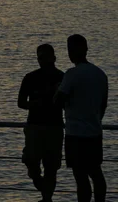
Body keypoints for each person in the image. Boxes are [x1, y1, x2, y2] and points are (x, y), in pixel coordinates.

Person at [55, 34, 108, 202]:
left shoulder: (71, 74)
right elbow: (103, 105)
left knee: (80, 176)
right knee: (96, 173)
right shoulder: (100, 74)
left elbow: (57, 101)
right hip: (94, 132)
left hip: (75, 134)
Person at [18, 44, 64, 202]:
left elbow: (67, 103)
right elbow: (21, 102)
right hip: (34, 126)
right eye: (40, 57)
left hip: (54, 127)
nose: (43, 61)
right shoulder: (30, 77)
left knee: (51, 167)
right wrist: (37, 103)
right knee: (31, 161)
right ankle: (43, 188)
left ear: (54, 58)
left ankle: (46, 198)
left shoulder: (62, 77)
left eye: (45, 57)